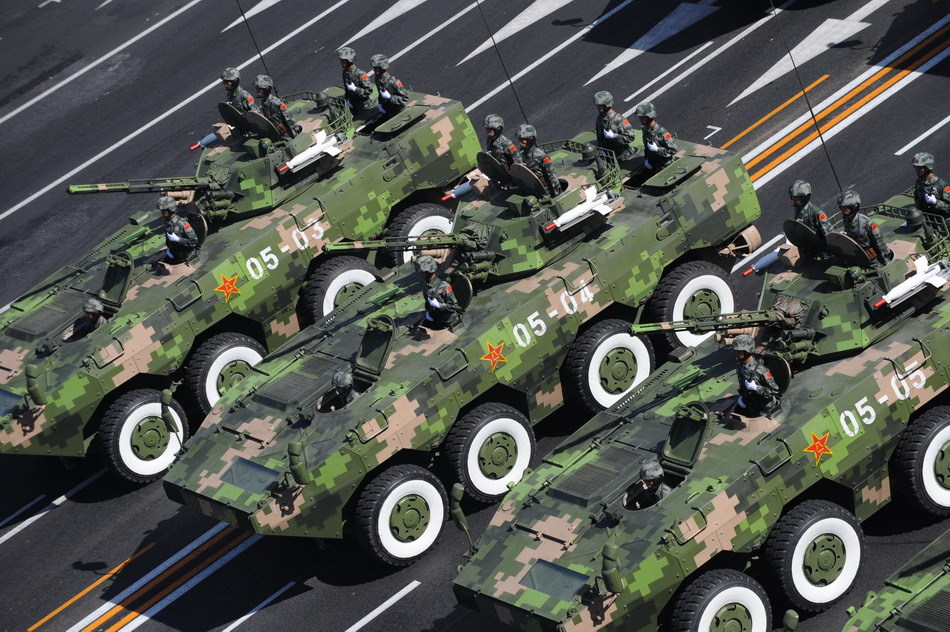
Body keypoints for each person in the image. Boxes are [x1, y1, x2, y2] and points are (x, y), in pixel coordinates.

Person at [838, 189, 891, 268]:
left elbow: (880, 245)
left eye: (845, 208)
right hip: (856, 256)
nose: (842, 211)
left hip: (871, 259)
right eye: (841, 208)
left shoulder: (868, 224)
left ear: (854, 207)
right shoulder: (846, 219)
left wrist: (887, 264)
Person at [733, 334, 780, 415]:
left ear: (747, 351)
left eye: (739, 351)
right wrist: (742, 396)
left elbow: (774, 390)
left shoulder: (762, 370)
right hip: (751, 403)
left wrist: (756, 388)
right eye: (736, 351)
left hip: (765, 406)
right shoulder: (740, 366)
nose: (736, 353)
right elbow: (742, 384)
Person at [515, 124, 561, 198]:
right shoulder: (524, 154)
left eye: (522, 140)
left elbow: (552, 176)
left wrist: (557, 196)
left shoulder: (540, 155)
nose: (520, 143)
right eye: (519, 140)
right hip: (532, 189)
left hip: (545, 192)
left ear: (530, 140)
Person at [789, 179, 831, 258]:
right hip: (808, 246)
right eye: (793, 198)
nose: (794, 200)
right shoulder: (797, 208)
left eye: (797, 198)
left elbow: (829, 234)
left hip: (822, 250)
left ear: (804, 197)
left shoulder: (817, 213)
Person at [415, 255, 459, 328]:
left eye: (421, 272)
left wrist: (439, 305)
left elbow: (453, 306)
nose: (420, 275)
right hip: (436, 320)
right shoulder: (427, 285)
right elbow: (428, 303)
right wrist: (428, 312)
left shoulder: (444, 286)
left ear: (427, 272)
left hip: (449, 323)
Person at [635, 102, 678, 173]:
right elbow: (647, 148)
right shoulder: (645, 129)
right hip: (655, 165)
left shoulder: (662, 132)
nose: (641, 119)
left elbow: (673, 150)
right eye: (640, 117)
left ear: (649, 116)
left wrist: (658, 149)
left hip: (666, 165)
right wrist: (647, 160)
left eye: (643, 117)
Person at [593, 91, 636, 161]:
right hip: (607, 154)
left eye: (600, 105)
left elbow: (630, 137)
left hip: (622, 156)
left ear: (607, 105)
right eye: (597, 105)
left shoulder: (620, 120)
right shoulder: (600, 118)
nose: (597, 107)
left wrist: (614, 136)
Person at [158, 196, 198, 263]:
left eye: (164, 210)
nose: (162, 212)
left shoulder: (182, 224)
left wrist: (178, 239)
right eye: (162, 210)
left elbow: (194, 241)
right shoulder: (168, 222)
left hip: (187, 256)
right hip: (176, 254)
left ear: (170, 209)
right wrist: (169, 249)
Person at [337, 47, 375, 114]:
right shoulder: (345, 72)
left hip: (365, 107)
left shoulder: (361, 74)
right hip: (354, 105)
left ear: (349, 60)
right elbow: (347, 90)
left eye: (343, 60)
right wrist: (347, 100)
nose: (341, 62)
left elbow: (369, 90)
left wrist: (355, 89)